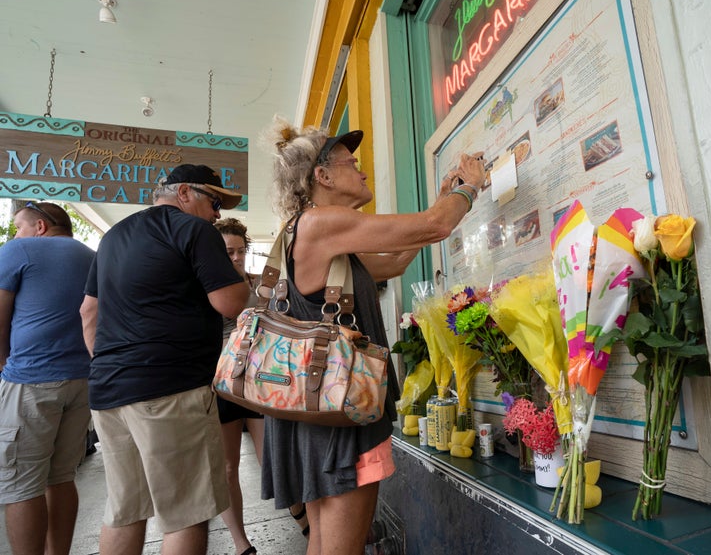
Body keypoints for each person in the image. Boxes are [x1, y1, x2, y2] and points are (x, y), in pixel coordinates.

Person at [259, 116, 486, 555]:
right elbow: (437, 225)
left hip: (319, 412)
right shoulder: (322, 223)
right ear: (322, 176)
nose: (362, 171)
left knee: (326, 543)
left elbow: (396, 262)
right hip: (339, 415)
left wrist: (442, 201)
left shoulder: (317, 236)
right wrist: (469, 186)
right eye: (352, 163)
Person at [79, 164, 249, 555]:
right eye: (215, 201)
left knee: (125, 510)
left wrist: (112, 364)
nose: (218, 213)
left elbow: (89, 313)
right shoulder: (194, 230)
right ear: (185, 193)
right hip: (171, 390)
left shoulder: (114, 236)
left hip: (109, 391)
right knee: (187, 512)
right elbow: (230, 303)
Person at [0, 202, 95, 555]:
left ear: (39, 226)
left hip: (30, 379)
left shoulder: (20, 250)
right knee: (61, 477)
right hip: (82, 380)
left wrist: (3, 363)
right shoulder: (92, 255)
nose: (15, 235)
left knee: (21, 484)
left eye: (19, 227)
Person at [214, 218, 309, 555]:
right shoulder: (207, 288)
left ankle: (300, 515)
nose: (236, 257)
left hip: (258, 381)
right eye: (228, 251)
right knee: (226, 467)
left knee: (273, 454)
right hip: (222, 383)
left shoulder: (258, 284)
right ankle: (241, 543)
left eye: (241, 250)